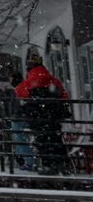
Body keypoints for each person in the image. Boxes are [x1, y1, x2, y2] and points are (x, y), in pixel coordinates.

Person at [16, 46, 71, 175]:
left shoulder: (26, 84)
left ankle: (48, 166)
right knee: (56, 139)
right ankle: (63, 164)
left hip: (37, 118)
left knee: (42, 141)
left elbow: (19, 97)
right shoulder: (53, 81)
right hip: (53, 118)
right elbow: (64, 97)